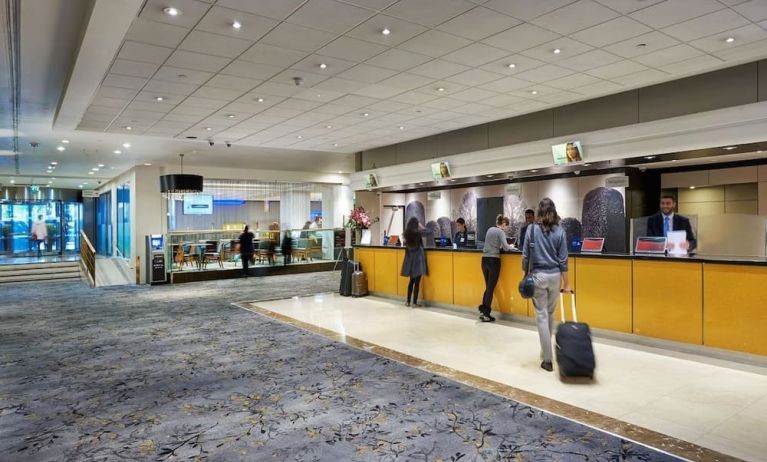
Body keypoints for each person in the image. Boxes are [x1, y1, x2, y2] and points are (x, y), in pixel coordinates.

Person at [522, 198, 572, 372]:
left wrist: (524, 275)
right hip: (555, 277)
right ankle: (545, 351)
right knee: (550, 315)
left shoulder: (531, 230)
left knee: (542, 317)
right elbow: (563, 260)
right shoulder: (560, 231)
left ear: (539, 212)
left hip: (538, 277)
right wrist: (567, 284)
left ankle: (548, 360)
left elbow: (526, 256)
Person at [479, 214, 513, 322]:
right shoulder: (500, 232)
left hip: (484, 260)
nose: (506, 229)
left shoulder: (490, 229)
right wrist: (512, 247)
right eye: (507, 227)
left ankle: (483, 311)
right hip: (494, 261)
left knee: (488, 287)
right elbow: (506, 248)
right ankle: (486, 314)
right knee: (490, 288)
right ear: (503, 224)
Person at [401, 217, 427, 307]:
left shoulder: (406, 234)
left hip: (410, 261)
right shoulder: (418, 234)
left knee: (411, 281)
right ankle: (414, 303)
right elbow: (429, 233)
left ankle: (408, 301)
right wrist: (422, 226)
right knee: (417, 282)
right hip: (418, 260)